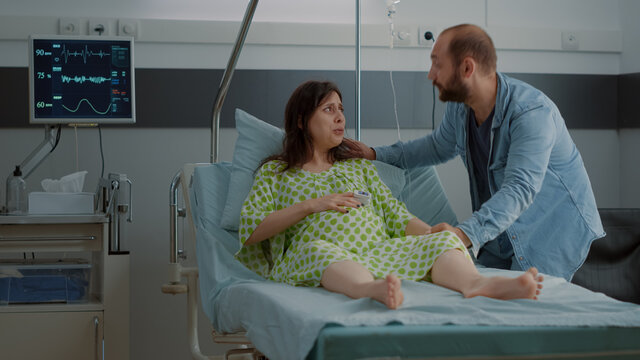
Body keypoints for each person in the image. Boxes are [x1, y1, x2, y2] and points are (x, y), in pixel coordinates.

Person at [235, 80, 542, 309]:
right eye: (329, 109)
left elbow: (395, 215)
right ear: (302, 121)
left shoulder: (359, 169)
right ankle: (371, 290)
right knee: (320, 249)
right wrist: (314, 205)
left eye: (341, 109)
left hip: (377, 252)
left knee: (445, 238)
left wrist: (432, 232)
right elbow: (252, 229)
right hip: (318, 255)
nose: (340, 117)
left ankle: (477, 284)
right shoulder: (276, 173)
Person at [355, 24, 604, 281]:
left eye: (438, 64)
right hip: (500, 236)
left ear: (466, 68)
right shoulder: (462, 108)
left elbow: (520, 188)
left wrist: (463, 234)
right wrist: (374, 154)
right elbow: (437, 147)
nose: (431, 75)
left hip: (552, 236)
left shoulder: (530, 113)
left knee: (528, 313)